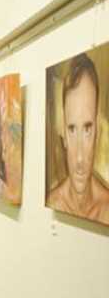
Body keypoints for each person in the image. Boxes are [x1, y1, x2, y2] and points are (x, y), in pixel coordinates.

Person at [47, 53, 109, 224]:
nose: (80, 158)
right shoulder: (53, 202)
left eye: (87, 129)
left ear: (97, 130)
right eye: (72, 129)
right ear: (64, 135)